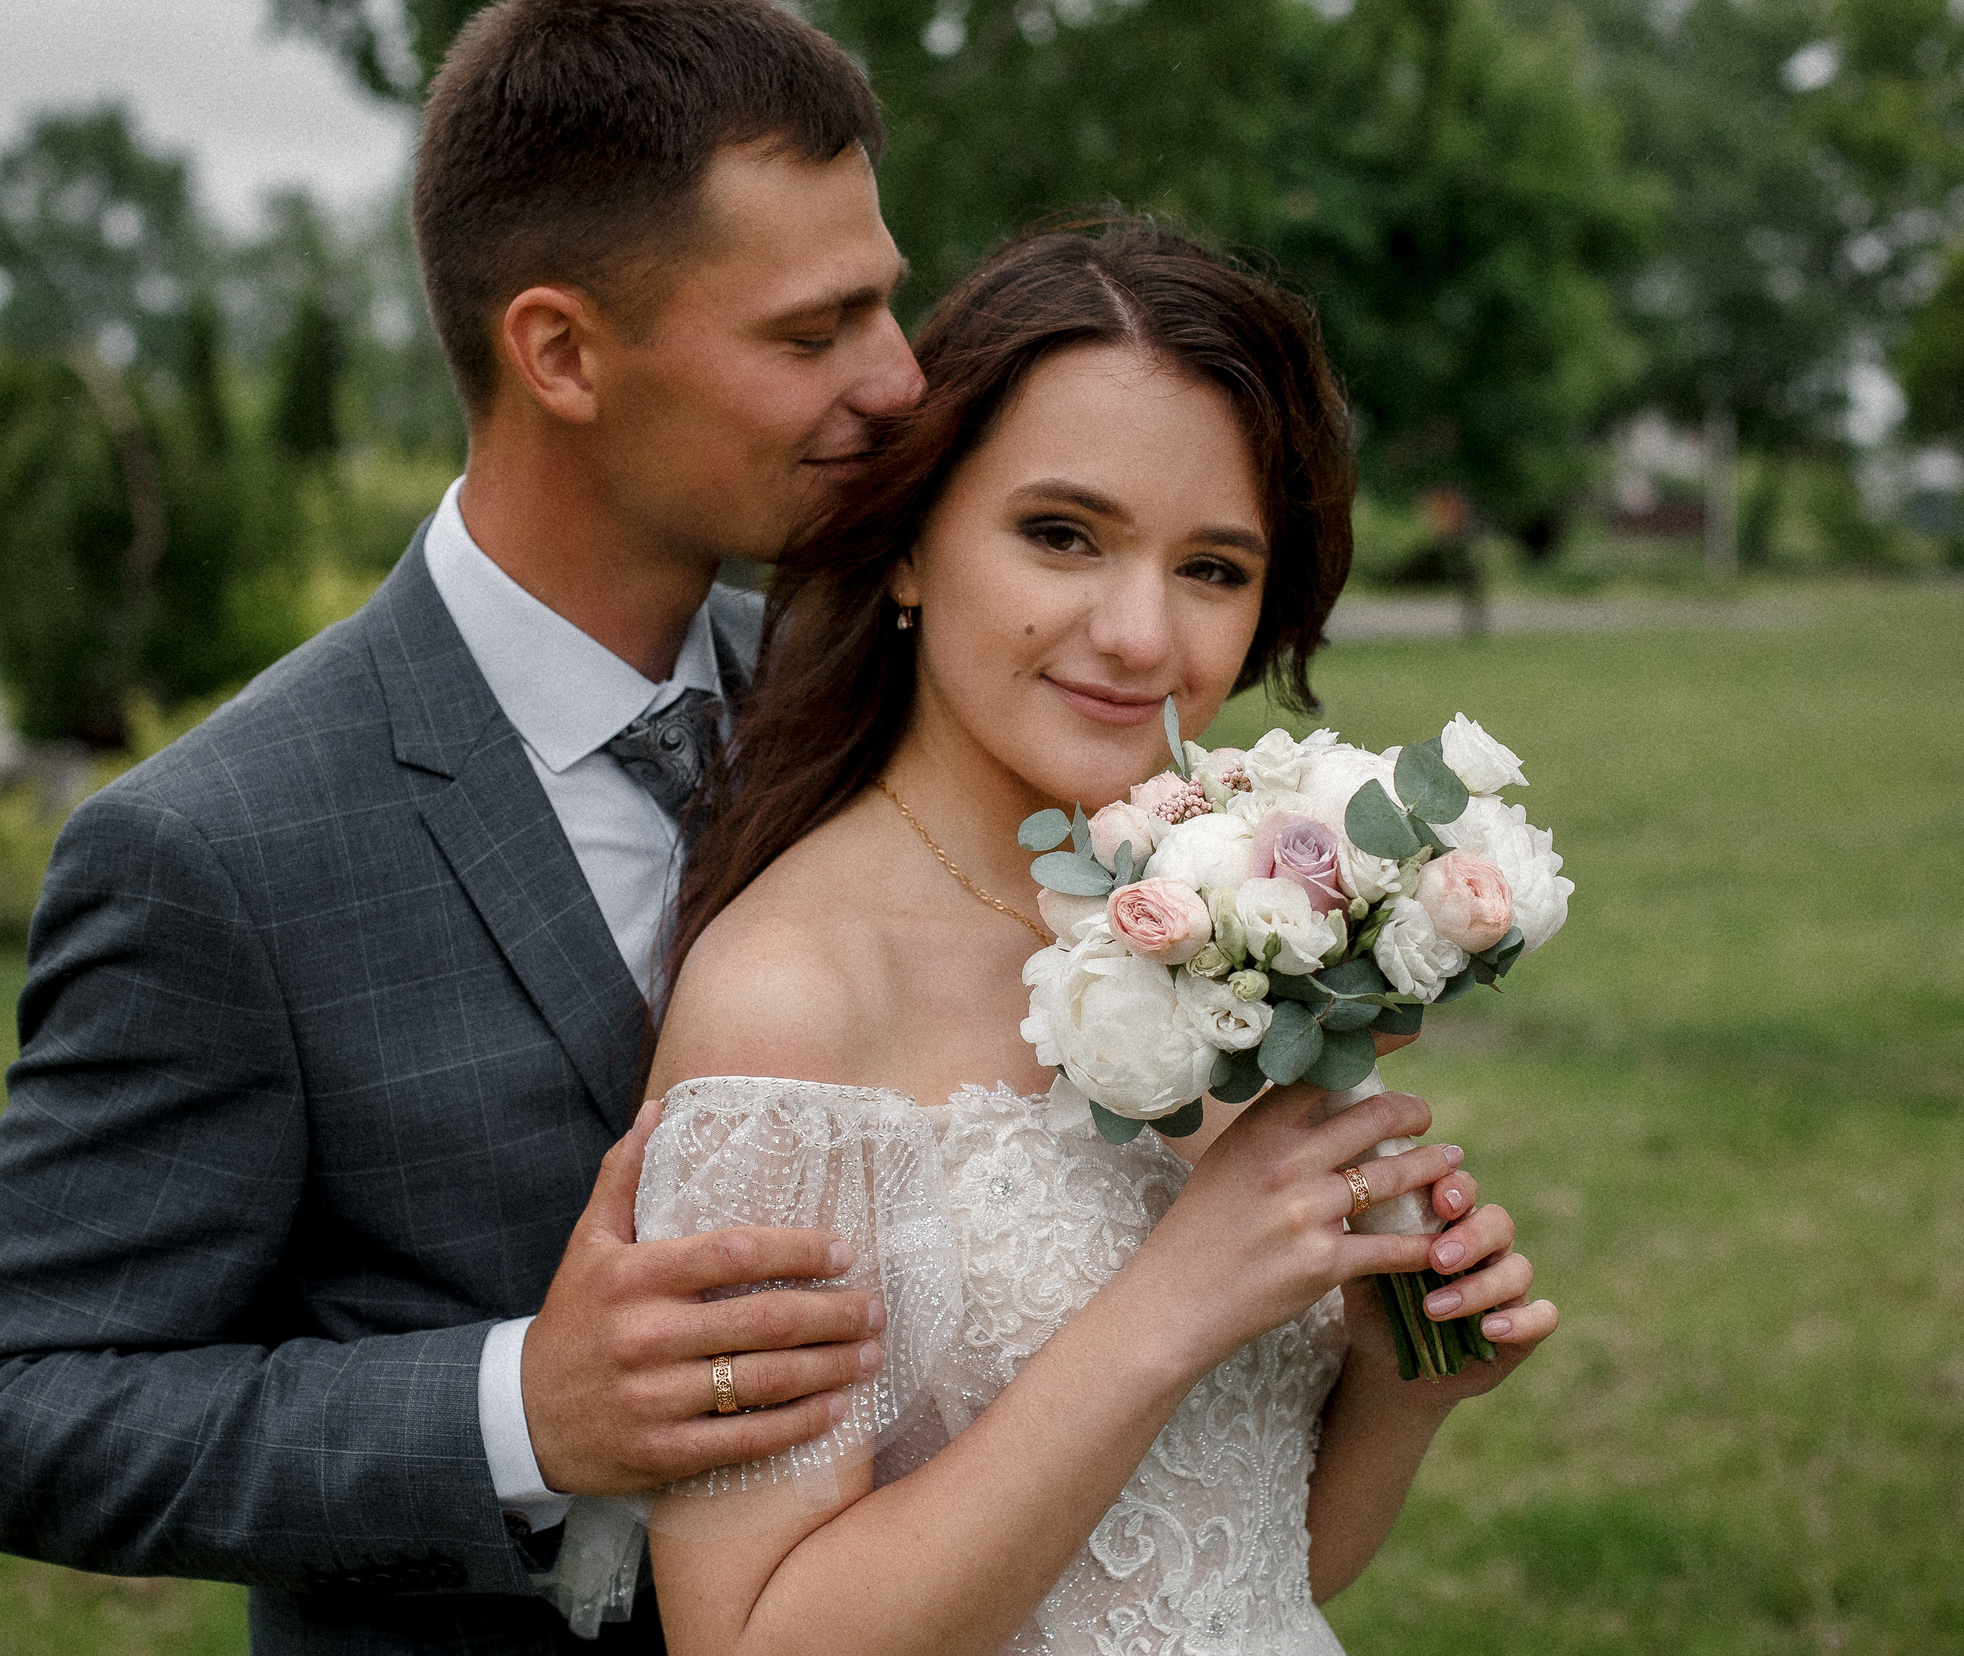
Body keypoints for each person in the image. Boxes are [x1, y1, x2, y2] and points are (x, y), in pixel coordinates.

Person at [0, 0, 928, 1652]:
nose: (898, 381)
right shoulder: (211, 852)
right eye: (812, 332)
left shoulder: (870, 701)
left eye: (884, 300)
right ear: (560, 353)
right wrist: (520, 1411)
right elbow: (4, 1413)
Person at [579, 221, 1560, 1656]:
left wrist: (1398, 1387)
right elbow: (749, 1637)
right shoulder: (790, 995)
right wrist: (1172, 1301)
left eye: (1214, 568)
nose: (1140, 635)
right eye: (1061, 535)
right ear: (912, 545)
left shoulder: (1225, 933)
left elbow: (1231, 1572)